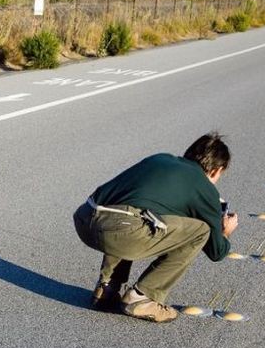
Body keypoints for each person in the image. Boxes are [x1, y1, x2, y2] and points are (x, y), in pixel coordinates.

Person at [73, 132, 238, 323]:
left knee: (133, 211)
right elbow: (217, 252)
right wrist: (225, 231)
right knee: (200, 231)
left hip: (85, 219)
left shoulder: (160, 159)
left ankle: (107, 288)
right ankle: (142, 297)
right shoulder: (205, 188)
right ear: (216, 170)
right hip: (119, 229)